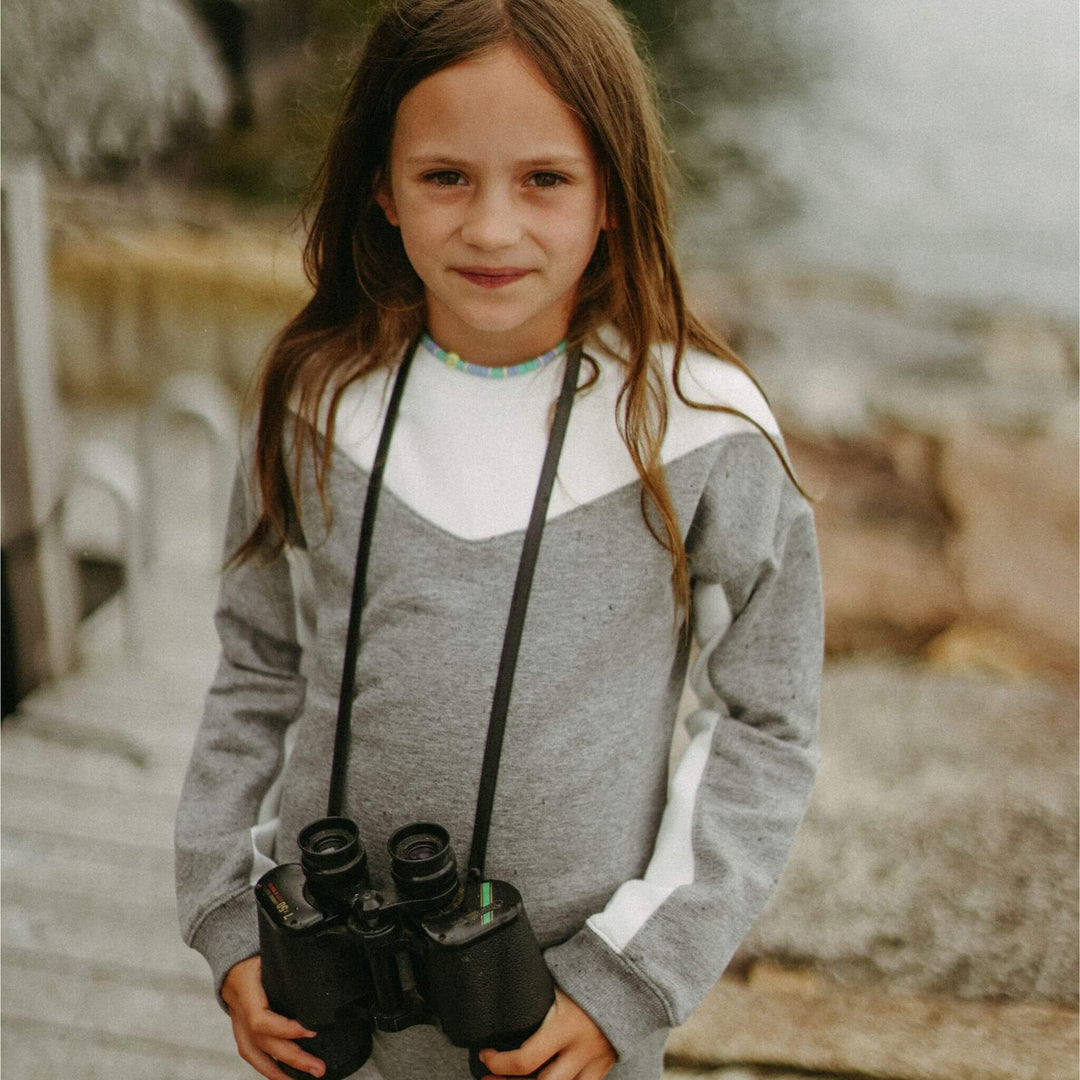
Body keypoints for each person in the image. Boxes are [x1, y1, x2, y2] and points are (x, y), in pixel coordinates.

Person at [174, 2, 823, 1079]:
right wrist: (227, 914)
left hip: (565, 1023)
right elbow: (256, 668)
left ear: (614, 190)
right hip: (330, 1014)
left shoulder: (704, 429)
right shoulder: (311, 401)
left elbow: (766, 722)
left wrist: (631, 983)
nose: (490, 229)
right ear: (380, 184)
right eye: (445, 177)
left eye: (545, 179)